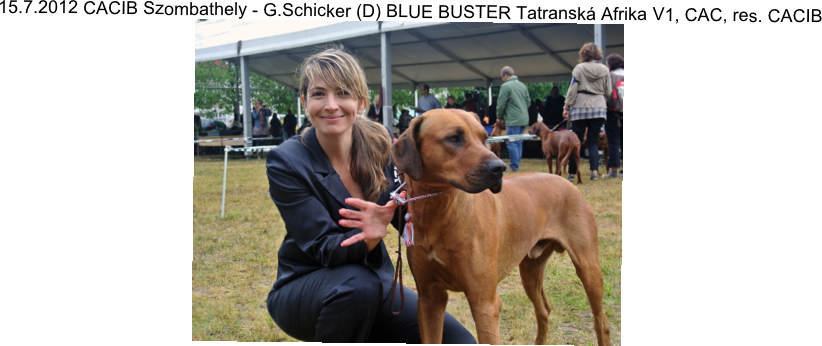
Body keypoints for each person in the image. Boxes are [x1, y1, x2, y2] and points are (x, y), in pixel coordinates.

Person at [265, 47, 476, 344]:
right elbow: (324, 248)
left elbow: (408, 216)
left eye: (343, 93)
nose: (331, 105)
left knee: (459, 341)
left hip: (373, 284)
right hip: (304, 288)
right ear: (304, 102)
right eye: (318, 94)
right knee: (357, 285)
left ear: (361, 102)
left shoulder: (379, 144)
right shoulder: (286, 161)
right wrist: (369, 236)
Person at [562, 42, 611, 181]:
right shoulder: (604, 69)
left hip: (580, 107)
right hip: (599, 107)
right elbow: (608, 91)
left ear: (583, 54)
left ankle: (572, 173)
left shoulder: (579, 68)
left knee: (575, 140)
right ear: (598, 54)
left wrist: (566, 107)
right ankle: (594, 172)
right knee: (593, 141)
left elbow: (572, 90)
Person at [497, 66, 531, 172]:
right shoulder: (522, 86)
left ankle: (514, 166)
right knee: (518, 142)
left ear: (505, 75)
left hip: (513, 119)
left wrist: (499, 117)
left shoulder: (505, 86)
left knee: (511, 142)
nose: (502, 79)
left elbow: (501, 104)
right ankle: (516, 164)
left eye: (502, 77)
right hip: (524, 119)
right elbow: (528, 102)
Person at [603, 53, 624, 179]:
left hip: (613, 113)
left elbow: (607, 93)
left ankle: (614, 171)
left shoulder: (610, 76)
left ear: (610, 64)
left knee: (613, 142)